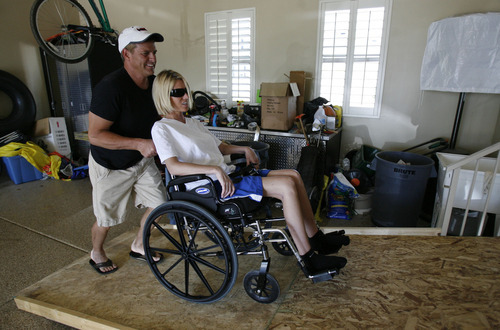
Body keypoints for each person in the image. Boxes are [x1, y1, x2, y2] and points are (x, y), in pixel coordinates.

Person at [150, 70, 350, 275]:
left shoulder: (191, 122)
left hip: (227, 176)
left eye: (186, 91)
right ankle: (309, 258)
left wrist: (244, 149)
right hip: (209, 187)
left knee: (294, 176)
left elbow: (220, 147)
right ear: (164, 95)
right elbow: (173, 166)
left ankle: (317, 238)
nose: (186, 96)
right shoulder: (162, 128)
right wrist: (214, 169)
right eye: (178, 92)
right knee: (286, 187)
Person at [87, 26, 168, 275]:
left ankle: (138, 245)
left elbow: (163, 115)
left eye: (153, 52)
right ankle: (97, 252)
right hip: (111, 165)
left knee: (160, 205)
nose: (153, 58)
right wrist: (138, 143)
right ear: (127, 54)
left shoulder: (153, 84)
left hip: (140, 162)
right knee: (106, 219)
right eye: (146, 53)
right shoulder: (110, 88)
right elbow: (95, 135)